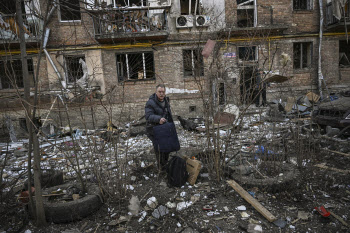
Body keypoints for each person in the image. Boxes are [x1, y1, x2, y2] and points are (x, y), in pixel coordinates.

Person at [145, 84, 174, 170]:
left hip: (165, 129)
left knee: (167, 148)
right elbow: (148, 116)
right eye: (159, 92)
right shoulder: (150, 102)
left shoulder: (166, 100)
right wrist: (158, 119)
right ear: (156, 92)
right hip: (154, 129)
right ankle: (161, 169)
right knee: (159, 150)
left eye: (163, 92)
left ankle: (165, 166)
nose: (161, 94)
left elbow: (169, 114)